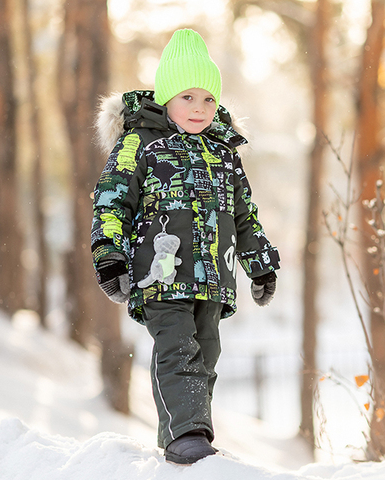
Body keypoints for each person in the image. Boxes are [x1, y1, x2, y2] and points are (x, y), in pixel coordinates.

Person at [91, 28, 280, 465]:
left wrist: (261, 264)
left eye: (208, 99)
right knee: (177, 348)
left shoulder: (224, 152)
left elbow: (244, 215)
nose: (199, 108)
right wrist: (110, 257)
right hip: (162, 273)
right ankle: (186, 435)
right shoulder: (139, 144)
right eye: (187, 97)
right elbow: (111, 201)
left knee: (206, 353)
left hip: (213, 277)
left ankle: (188, 430)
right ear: (166, 98)